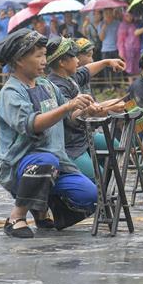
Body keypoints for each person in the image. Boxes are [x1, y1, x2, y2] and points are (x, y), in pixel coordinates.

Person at [0, 29, 98, 238]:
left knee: (91, 195)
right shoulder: (11, 92)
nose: (44, 60)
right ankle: (16, 217)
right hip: (20, 163)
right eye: (38, 55)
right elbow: (33, 125)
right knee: (46, 161)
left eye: (44, 55)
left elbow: (68, 117)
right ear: (20, 60)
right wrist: (68, 106)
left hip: (57, 161)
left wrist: (84, 109)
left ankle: (43, 209)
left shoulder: (45, 84)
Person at [45, 36, 126, 180]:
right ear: (62, 62)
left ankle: (106, 183)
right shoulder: (56, 85)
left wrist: (107, 62)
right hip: (70, 145)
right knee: (99, 177)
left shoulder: (70, 76)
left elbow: (87, 70)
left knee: (118, 148)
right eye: (74, 57)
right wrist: (97, 109)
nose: (78, 61)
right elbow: (71, 117)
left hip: (84, 136)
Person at [116, 11, 141, 75]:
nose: (129, 17)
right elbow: (120, 40)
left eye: (130, 15)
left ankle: (136, 84)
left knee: (137, 66)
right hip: (128, 49)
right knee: (129, 68)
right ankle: (131, 83)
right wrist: (121, 51)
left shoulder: (135, 24)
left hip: (137, 48)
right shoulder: (123, 25)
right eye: (127, 16)